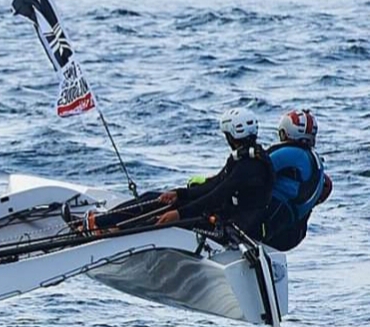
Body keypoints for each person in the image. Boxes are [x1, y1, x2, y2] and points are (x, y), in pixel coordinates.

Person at [77, 107, 274, 237]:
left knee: (156, 220)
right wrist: (179, 194)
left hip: (231, 226)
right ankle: (101, 222)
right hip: (221, 214)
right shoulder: (242, 159)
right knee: (154, 198)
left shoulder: (250, 167)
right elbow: (214, 184)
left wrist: (179, 214)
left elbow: (216, 196)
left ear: (231, 135)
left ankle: (107, 230)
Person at [260, 109, 332, 251]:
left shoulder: (291, 154)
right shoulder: (315, 162)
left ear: (285, 133)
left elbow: (253, 171)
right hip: (294, 234)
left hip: (271, 225)